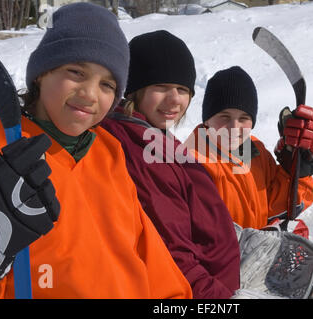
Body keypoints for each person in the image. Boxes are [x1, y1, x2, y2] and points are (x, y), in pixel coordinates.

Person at [0, 3, 192, 298]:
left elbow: (151, 258)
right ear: (41, 73)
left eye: (106, 84)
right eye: (76, 72)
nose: (89, 94)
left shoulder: (107, 152)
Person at [101, 30, 240, 299]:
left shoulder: (151, 137)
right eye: (161, 87)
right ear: (134, 91)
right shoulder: (137, 151)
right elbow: (171, 254)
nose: (175, 99)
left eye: (183, 89)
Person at [184, 66, 313, 231]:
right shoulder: (193, 162)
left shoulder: (254, 151)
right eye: (224, 117)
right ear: (207, 120)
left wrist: (297, 166)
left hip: (253, 253)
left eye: (244, 118)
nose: (234, 127)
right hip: (221, 254)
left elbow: (276, 207)